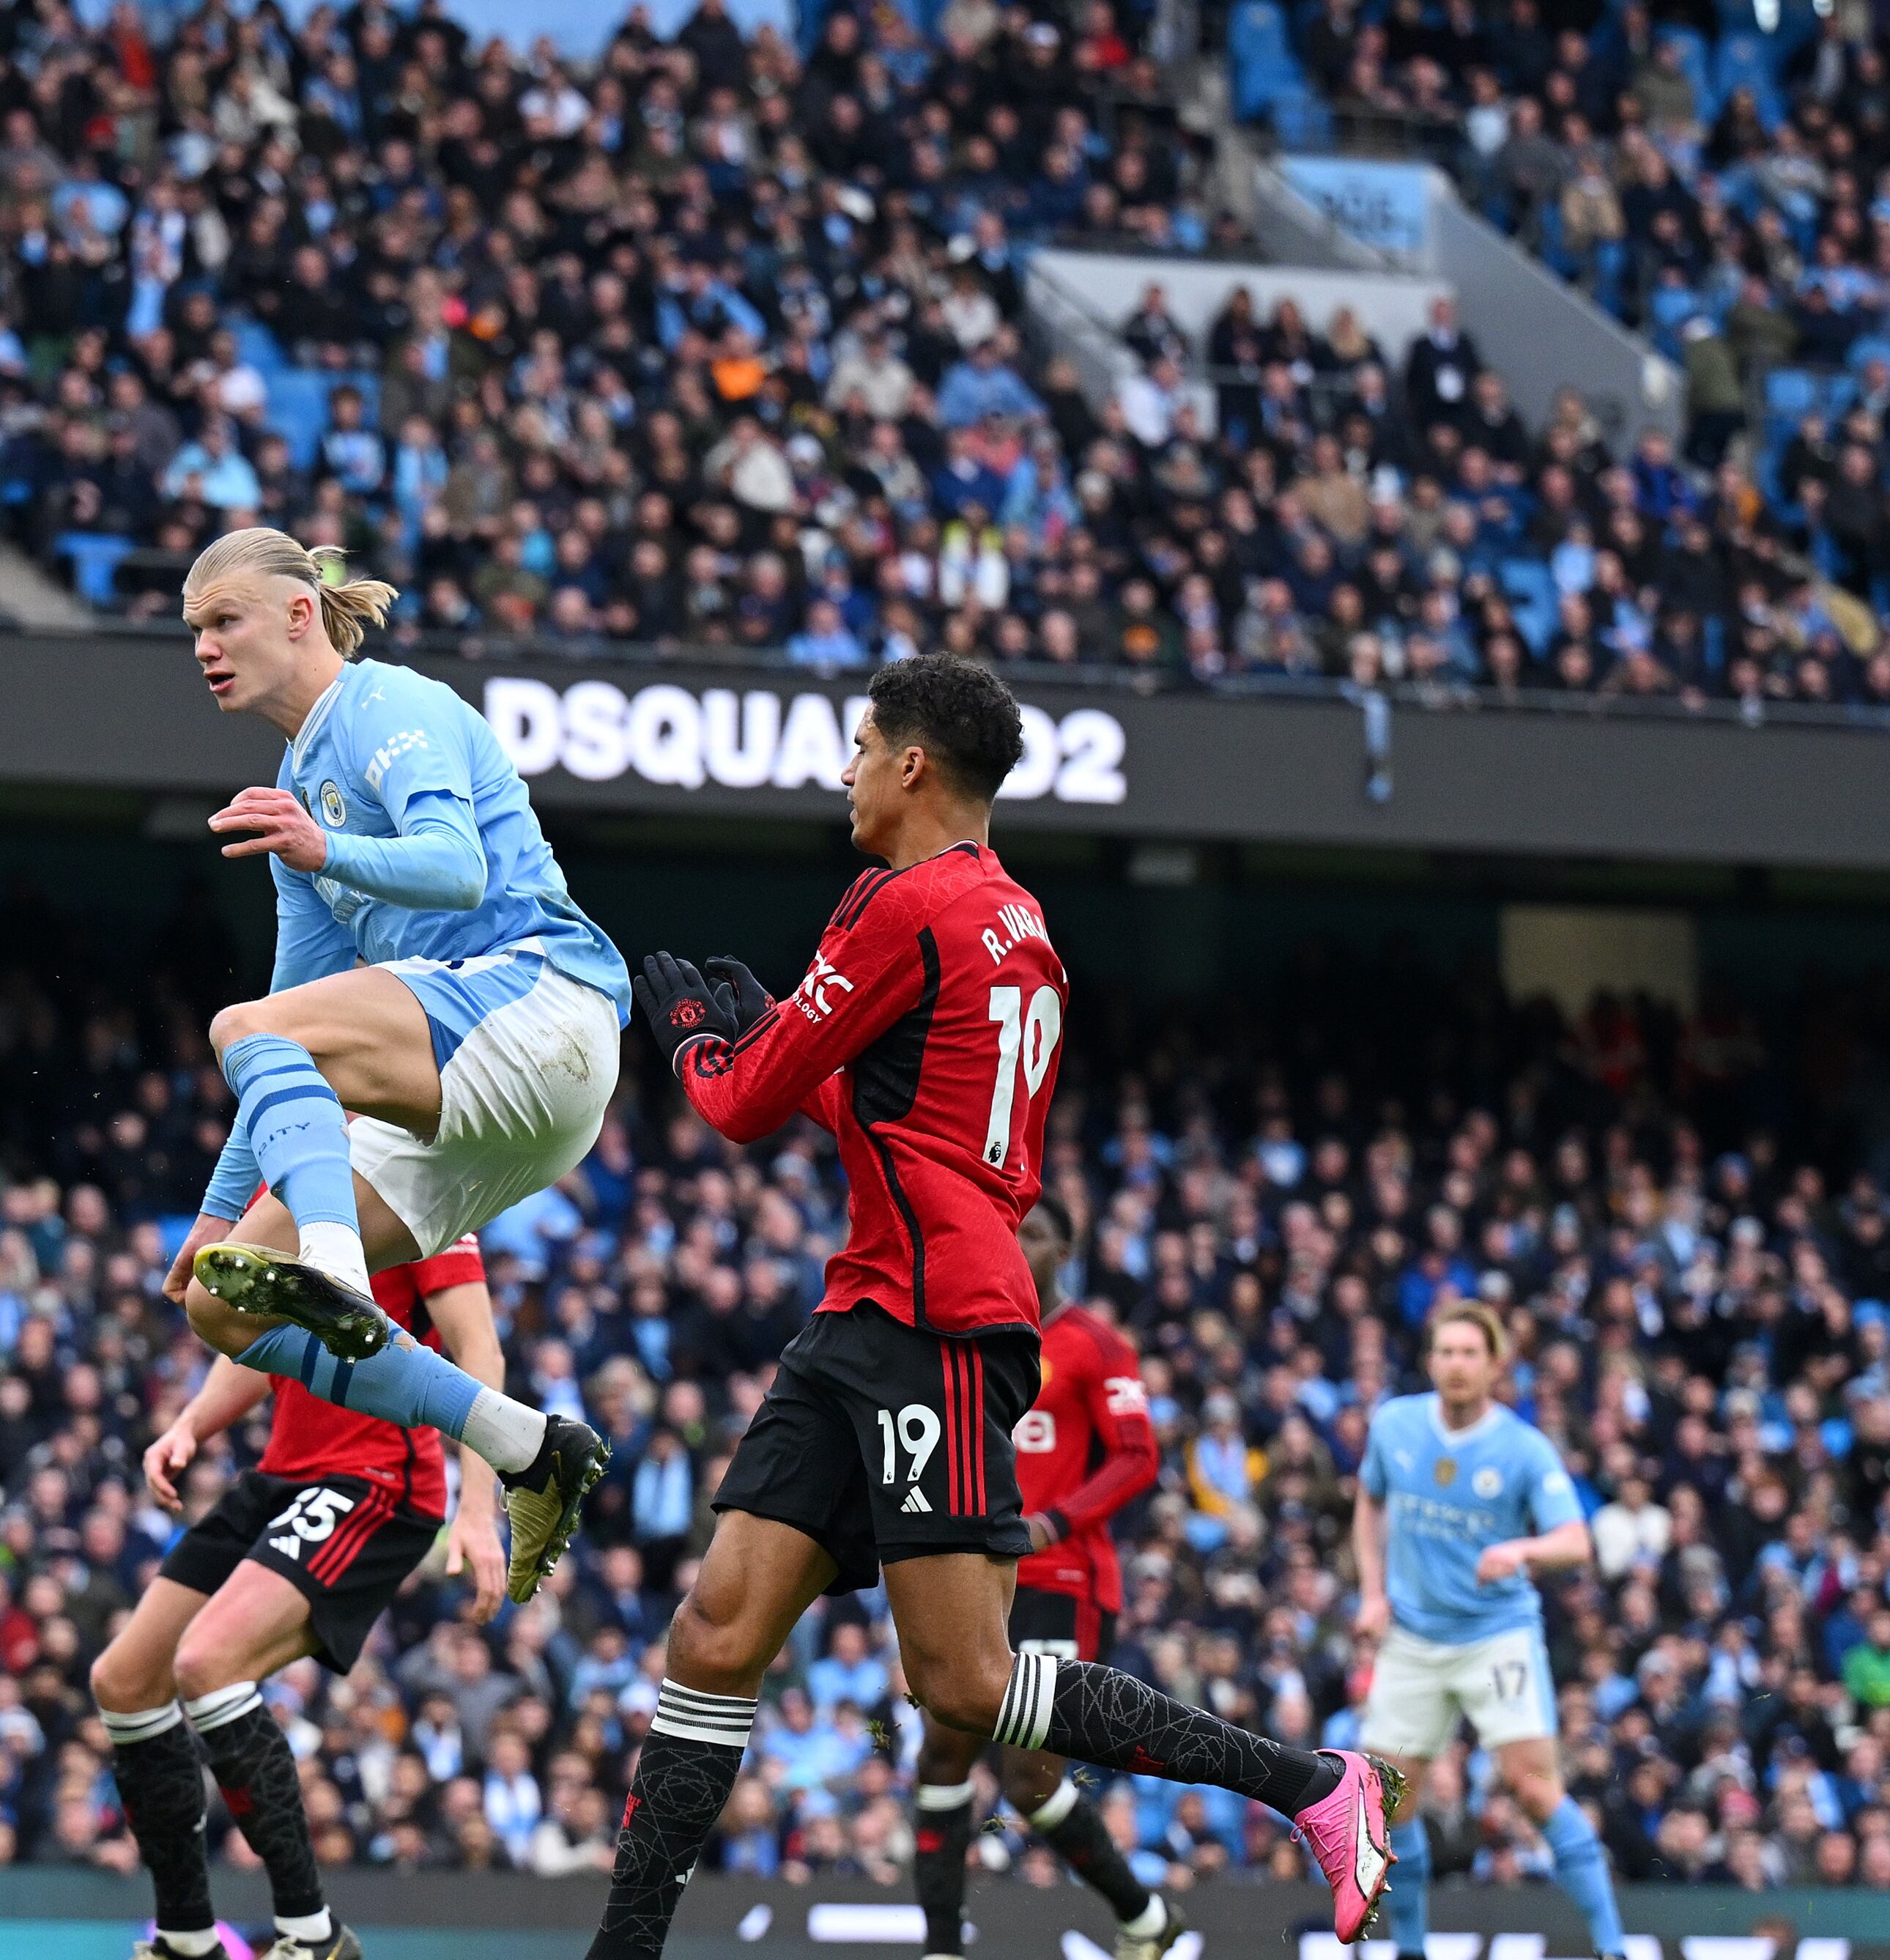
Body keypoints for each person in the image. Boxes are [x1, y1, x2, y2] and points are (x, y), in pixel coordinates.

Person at [587, 655, 1402, 1960]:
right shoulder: (1018, 925)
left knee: (960, 1683)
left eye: (859, 746)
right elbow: (906, 1125)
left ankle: (1316, 1785)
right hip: (872, 1311)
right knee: (715, 1629)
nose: (844, 770)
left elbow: (736, 1107)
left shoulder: (903, 906)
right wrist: (774, 1050)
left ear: (913, 764)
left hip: (939, 1326)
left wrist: (695, 1037)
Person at [156, 528, 620, 1602]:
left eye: (224, 622)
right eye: (194, 632)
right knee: (222, 1307)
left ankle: (337, 1266)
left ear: (299, 615)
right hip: (476, 1089)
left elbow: (456, 869)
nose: (205, 648)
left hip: (541, 1004)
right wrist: (219, 1216)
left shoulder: (386, 707)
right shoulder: (294, 781)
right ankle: (525, 1443)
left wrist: (324, 851)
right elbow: (283, 1033)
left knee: (246, 1028)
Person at [94, 1237, 507, 1960]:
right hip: (281, 1474)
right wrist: (193, 1421)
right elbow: (259, 1336)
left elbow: (480, 1353)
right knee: (124, 1681)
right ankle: (187, 1937)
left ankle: (313, 1937)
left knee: (208, 1661)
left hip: (378, 1479)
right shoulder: (288, 1184)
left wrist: (477, 1507)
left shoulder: (424, 1197)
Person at [908, 1200, 1174, 1960]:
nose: (1021, 1245)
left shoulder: (1096, 1345)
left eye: (1037, 1234)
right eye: (1010, 1231)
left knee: (1027, 1777)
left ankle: (1143, 1913)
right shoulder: (963, 1333)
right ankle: (939, 1947)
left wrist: (1054, 1521)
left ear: (1066, 1247)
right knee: (940, 1755)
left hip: (1060, 1577)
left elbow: (1137, 1456)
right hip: (969, 1576)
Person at [1354, 1303, 1622, 1960]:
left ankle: (1614, 1947)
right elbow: (1369, 1501)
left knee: (1533, 1786)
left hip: (1495, 1634)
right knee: (1389, 1802)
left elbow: (1576, 1540)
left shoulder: (1523, 1447)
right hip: (1414, 1638)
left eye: (1470, 1352)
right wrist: (1371, 1592)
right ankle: (1411, 1951)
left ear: (1495, 1365)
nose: (1456, 1364)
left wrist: (1522, 1552)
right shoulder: (1395, 1424)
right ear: (1430, 1360)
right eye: (1445, 1351)